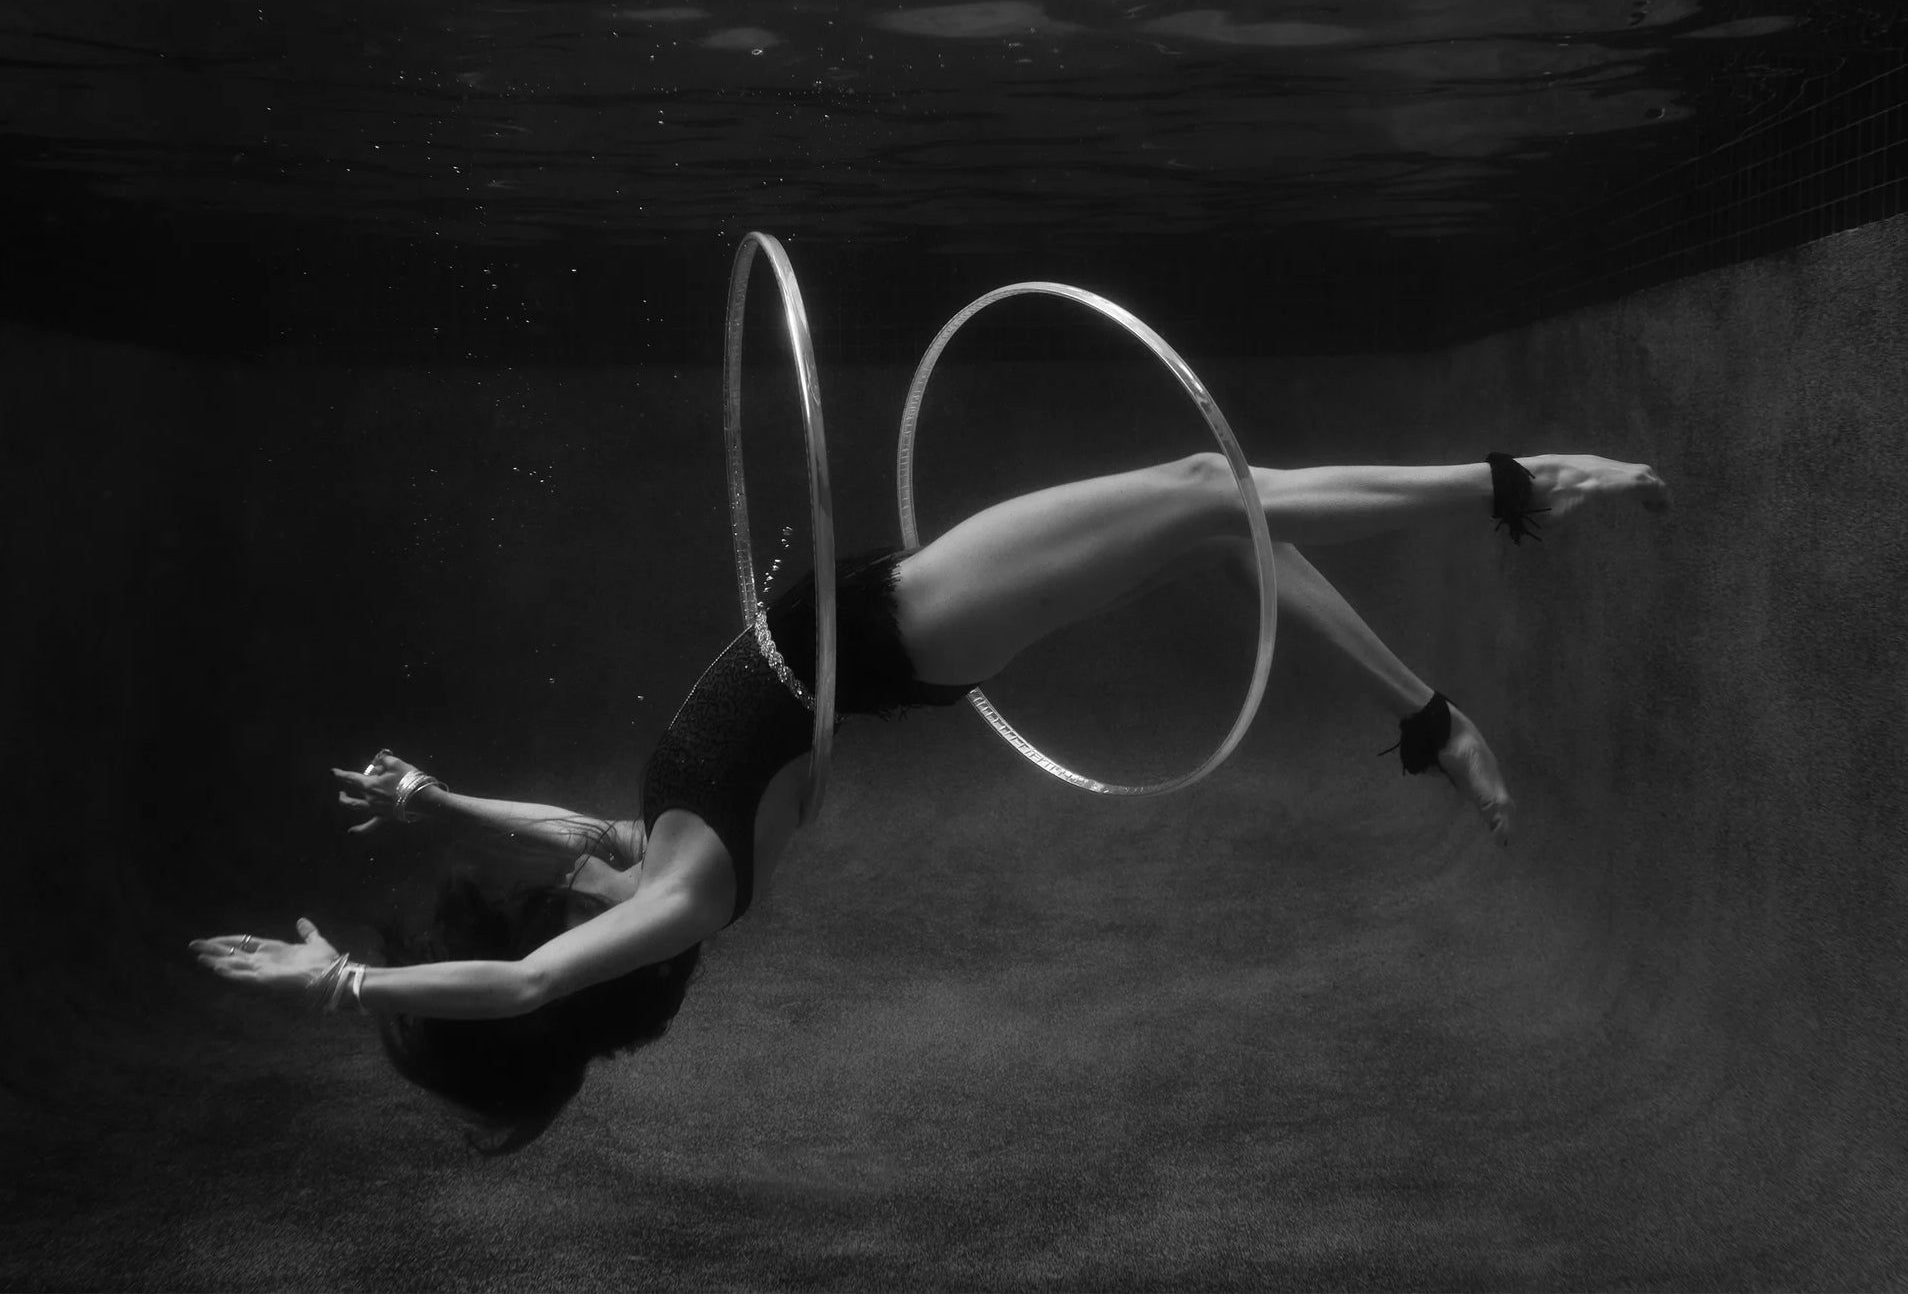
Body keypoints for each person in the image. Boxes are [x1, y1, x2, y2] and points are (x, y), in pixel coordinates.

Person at [192, 449, 1667, 1151]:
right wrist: (344, 983)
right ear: (598, 967)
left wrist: (437, 797)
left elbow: (553, 842)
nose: (549, 874)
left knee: (1213, 524)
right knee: (1216, 494)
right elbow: (516, 987)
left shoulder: (638, 861)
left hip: (896, 610)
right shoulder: (693, 897)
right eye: (546, 909)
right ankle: (1519, 491)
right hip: (919, 625)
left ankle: (1428, 715)